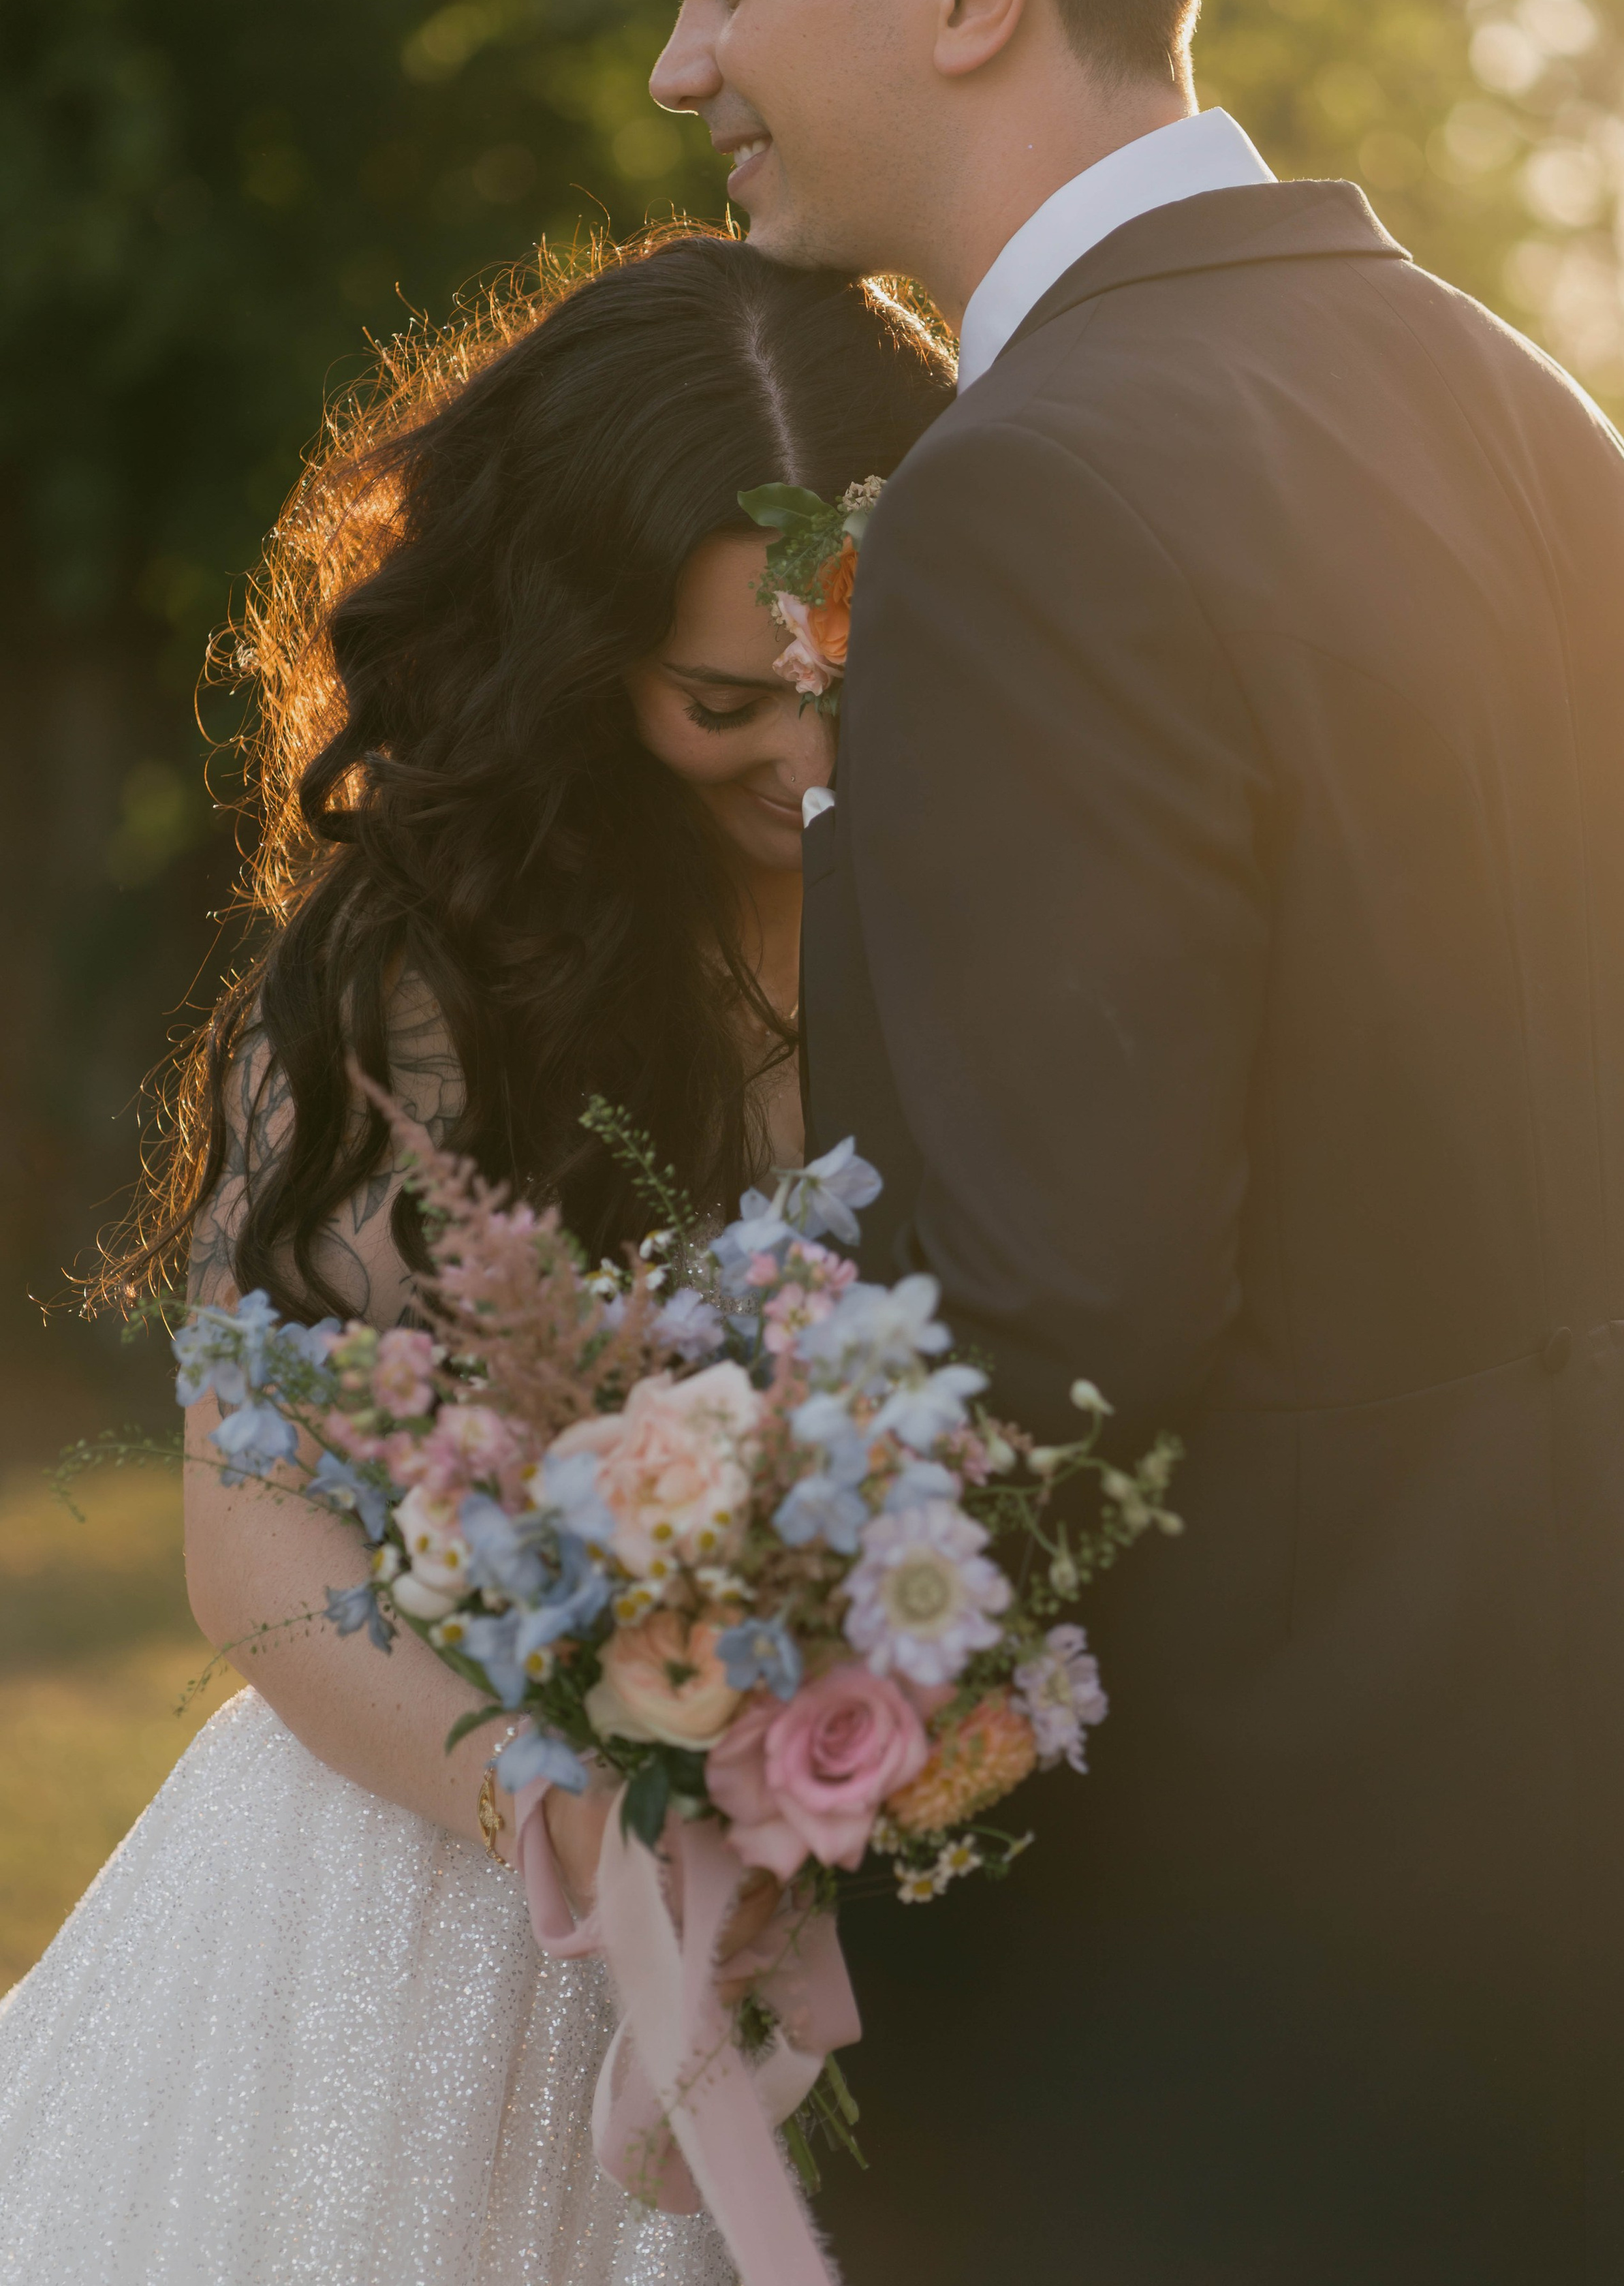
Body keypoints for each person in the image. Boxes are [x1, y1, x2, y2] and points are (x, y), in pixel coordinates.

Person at [646, 0, 1624, 2277]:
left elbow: (1053, 1319)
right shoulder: (1529, 416)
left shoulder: (1025, 492)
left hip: (1199, 1971)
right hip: (1562, 1844)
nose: (688, 67)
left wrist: (686, 1662)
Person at [0, 230, 951, 2283]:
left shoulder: (991, 907)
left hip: (898, 1890)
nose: (814, 763)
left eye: (857, 686)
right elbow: (253, 1531)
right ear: (577, 656)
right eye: (728, 705)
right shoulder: (426, 968)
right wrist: (584, 1821)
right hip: (443, 1901)